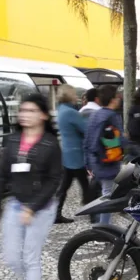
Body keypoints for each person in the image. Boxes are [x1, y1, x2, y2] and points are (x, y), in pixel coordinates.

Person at [0, 93, 61, 280]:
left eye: (31, 110)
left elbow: (54, 181)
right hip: (15, 204)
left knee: (31, 258)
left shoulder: (51, 144)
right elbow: (1, 175)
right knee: (12, 257)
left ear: (43, 115)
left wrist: (32, 208)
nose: (24, 114)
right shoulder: (13, 140)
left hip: (41, 209)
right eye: (23, 110)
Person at [84, 85, 127, 223]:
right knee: (107, 195)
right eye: (117, 96)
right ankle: (102, 228)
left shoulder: (95, 114)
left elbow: (87, 139)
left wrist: (88, 163)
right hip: (109, 160)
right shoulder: (112, 116)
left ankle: (99, 224)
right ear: (113, 99)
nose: (119, 99)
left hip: (96, 160)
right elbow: (121, 140)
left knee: (104, 192)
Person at [54, 84, 87, 223]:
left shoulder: (60, 110)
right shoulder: (71, 112)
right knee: (85, 185)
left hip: (67, 153)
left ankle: (56, 213)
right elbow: (85, 128)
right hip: (76, 154)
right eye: (74, 94)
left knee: (64, 186)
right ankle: (93, 213)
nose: (76, 96)